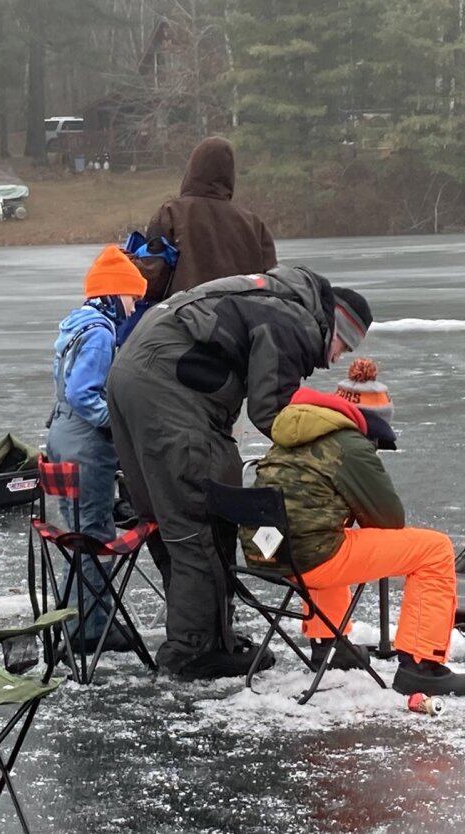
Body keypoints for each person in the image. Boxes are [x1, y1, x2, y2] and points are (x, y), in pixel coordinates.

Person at [106, 265, 373, 679]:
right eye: (344, 346)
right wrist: (339, 430)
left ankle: (203, 637)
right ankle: (196, 651)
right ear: (335, 327)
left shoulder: (275, 298)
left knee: (165, 517)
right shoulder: (297, 321)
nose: (337, 359)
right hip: (169, 389)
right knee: (202, 515)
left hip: (131, 374)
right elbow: (272, 411)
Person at [244, 387, 465, 697]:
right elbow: (389, 519)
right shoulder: (349, 445)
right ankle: (421, 666)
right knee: (433, 549)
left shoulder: (287, 440)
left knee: (325, 532)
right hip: (311, 559)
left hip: (268, 555)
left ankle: (329, 643)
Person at [45, 244, 147, 653]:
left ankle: (79, 620)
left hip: (60, 437)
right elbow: (83, 394)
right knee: (94, 534)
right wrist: (119, 424)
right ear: (114, 293)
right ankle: (90, 629)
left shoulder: (75, 326)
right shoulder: (101, 333)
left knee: (76, 535)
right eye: (132, 297)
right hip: (86, 444)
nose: (134, 306)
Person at [140, 136, 278, 303]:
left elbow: (152, 280)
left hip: (185, 320)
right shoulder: (254, 224)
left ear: (192, 169)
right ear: (229, 174)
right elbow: (271, 284)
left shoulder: (170, 214)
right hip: (243, 323)